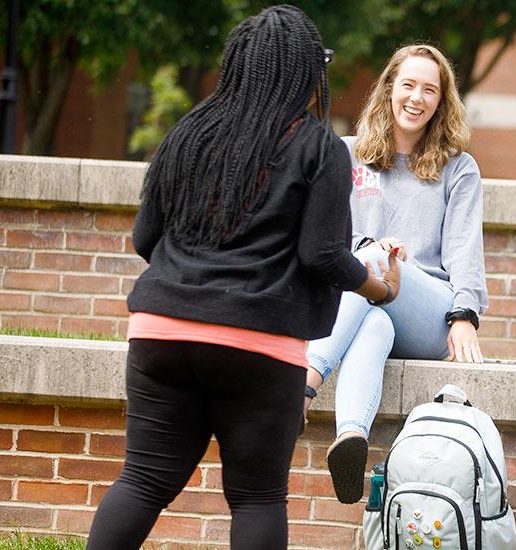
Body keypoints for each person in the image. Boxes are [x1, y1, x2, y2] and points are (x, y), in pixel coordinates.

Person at [86, 6, 400, 548]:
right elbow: (323, 255)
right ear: (306, 72)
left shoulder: (187, 133)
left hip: (162, 331)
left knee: (141, 480)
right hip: (258, 342)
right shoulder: (318, 147)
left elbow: (145, 240)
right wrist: (379, 286)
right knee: (256, 497)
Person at [303, 43, 488, 504]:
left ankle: (303, 383)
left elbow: (465, 250)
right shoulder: (345, 156)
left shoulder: (458, 169)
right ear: (389, 89)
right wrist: (369, 251)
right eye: (408, 85)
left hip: (427, 310)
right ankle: (350, 437)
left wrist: (464, 313)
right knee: (374, 315)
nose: (417, 98)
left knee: (374, 262)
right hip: (366, 301)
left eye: (430, 90)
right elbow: (323, 242)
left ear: (441, 102)